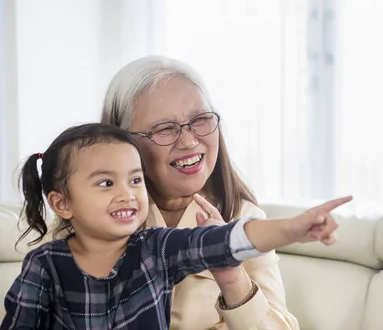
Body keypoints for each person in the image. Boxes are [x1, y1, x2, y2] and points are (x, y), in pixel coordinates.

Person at [1, 123, 351, 330]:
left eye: (135, 180)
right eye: (106, 184)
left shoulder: (156, 249)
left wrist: (294, 227)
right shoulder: (44, 265)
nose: (127, 195)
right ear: (62, 203)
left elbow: (228, 240)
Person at [100, 55, 318, 329]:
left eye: (201, 119)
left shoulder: (245, 221)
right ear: (122, 142)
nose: (190, 141)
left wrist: (233, 279)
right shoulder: (89, 212)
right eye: (165, 129)